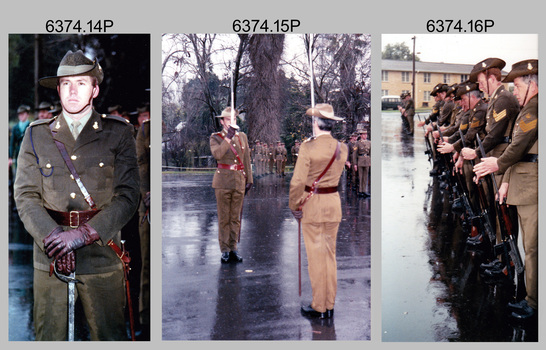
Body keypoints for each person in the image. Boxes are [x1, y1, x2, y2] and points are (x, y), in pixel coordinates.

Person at [14, 50, 140, 341]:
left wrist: (82, 235)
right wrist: (53, 239)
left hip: (102, 253)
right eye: (66, 83)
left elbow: (127, 196)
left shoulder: (118, 133)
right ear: (57, 89)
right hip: (50, 257)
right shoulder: (36, 135)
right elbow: (25, 196)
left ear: (94, 89)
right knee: (49, 337)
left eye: (81, 83)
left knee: (109, 337)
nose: (72, 91)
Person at [473, 59, 538, 320]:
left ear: (533, 84)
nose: (515, 91)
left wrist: (498, 164)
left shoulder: (534, 108)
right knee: (528, 244)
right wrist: (507, 177)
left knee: (533, 247)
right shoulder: (528, 107)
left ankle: (533, 303)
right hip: (523, 180)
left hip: (533, 184)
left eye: (519, 85)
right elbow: (518, 147)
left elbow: (519, 145)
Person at [289, 103, 348, 319]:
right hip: (333, 204)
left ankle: (319, 306)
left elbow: (297, 182)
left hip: (312, 206)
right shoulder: (342, 148)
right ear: (332, 124)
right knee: (329, 256)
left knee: (316, 257)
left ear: (316, 123)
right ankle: (329, 304)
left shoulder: (307, 147)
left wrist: (294, 205)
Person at [210, 107, 253, 263]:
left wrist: (249, 179)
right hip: (222, 182)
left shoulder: (242, 136)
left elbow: (246, 158)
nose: (230, 122)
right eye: (227, 120)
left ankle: (233, 248)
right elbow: (218, 155)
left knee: (235, 218)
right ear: (222, 121)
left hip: (239, 181)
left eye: (233, 119)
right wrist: (227, 138)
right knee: (224, 218)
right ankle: (225, 250)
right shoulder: (216, 137)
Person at [135, 106, 150, 338]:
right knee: (147, 261)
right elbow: (140, 164)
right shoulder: (145, 131)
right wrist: (147, 193)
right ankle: (145, 316)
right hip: (149, 202)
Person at [9, 104, 31, 176]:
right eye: (19, 114)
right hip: (19, 153)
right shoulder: (15, 127)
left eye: (23, 114)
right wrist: (10, 157)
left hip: (29, 153)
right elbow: (12, 144)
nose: (21, 116)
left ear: (27, 115)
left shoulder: (31, 126)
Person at [353, 128, 371, 197]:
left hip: (367, 161)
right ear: (361, 135)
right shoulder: (358, 143)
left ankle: (364, 190)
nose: (365, 136)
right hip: (360, 161)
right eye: (364, 134)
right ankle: (360, 191)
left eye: (366, 134)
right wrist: (355, 164)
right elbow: (354, 154)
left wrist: (370, 161)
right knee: (360, 176)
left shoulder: (369, 143)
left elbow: (370, 153)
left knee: (365, 176)